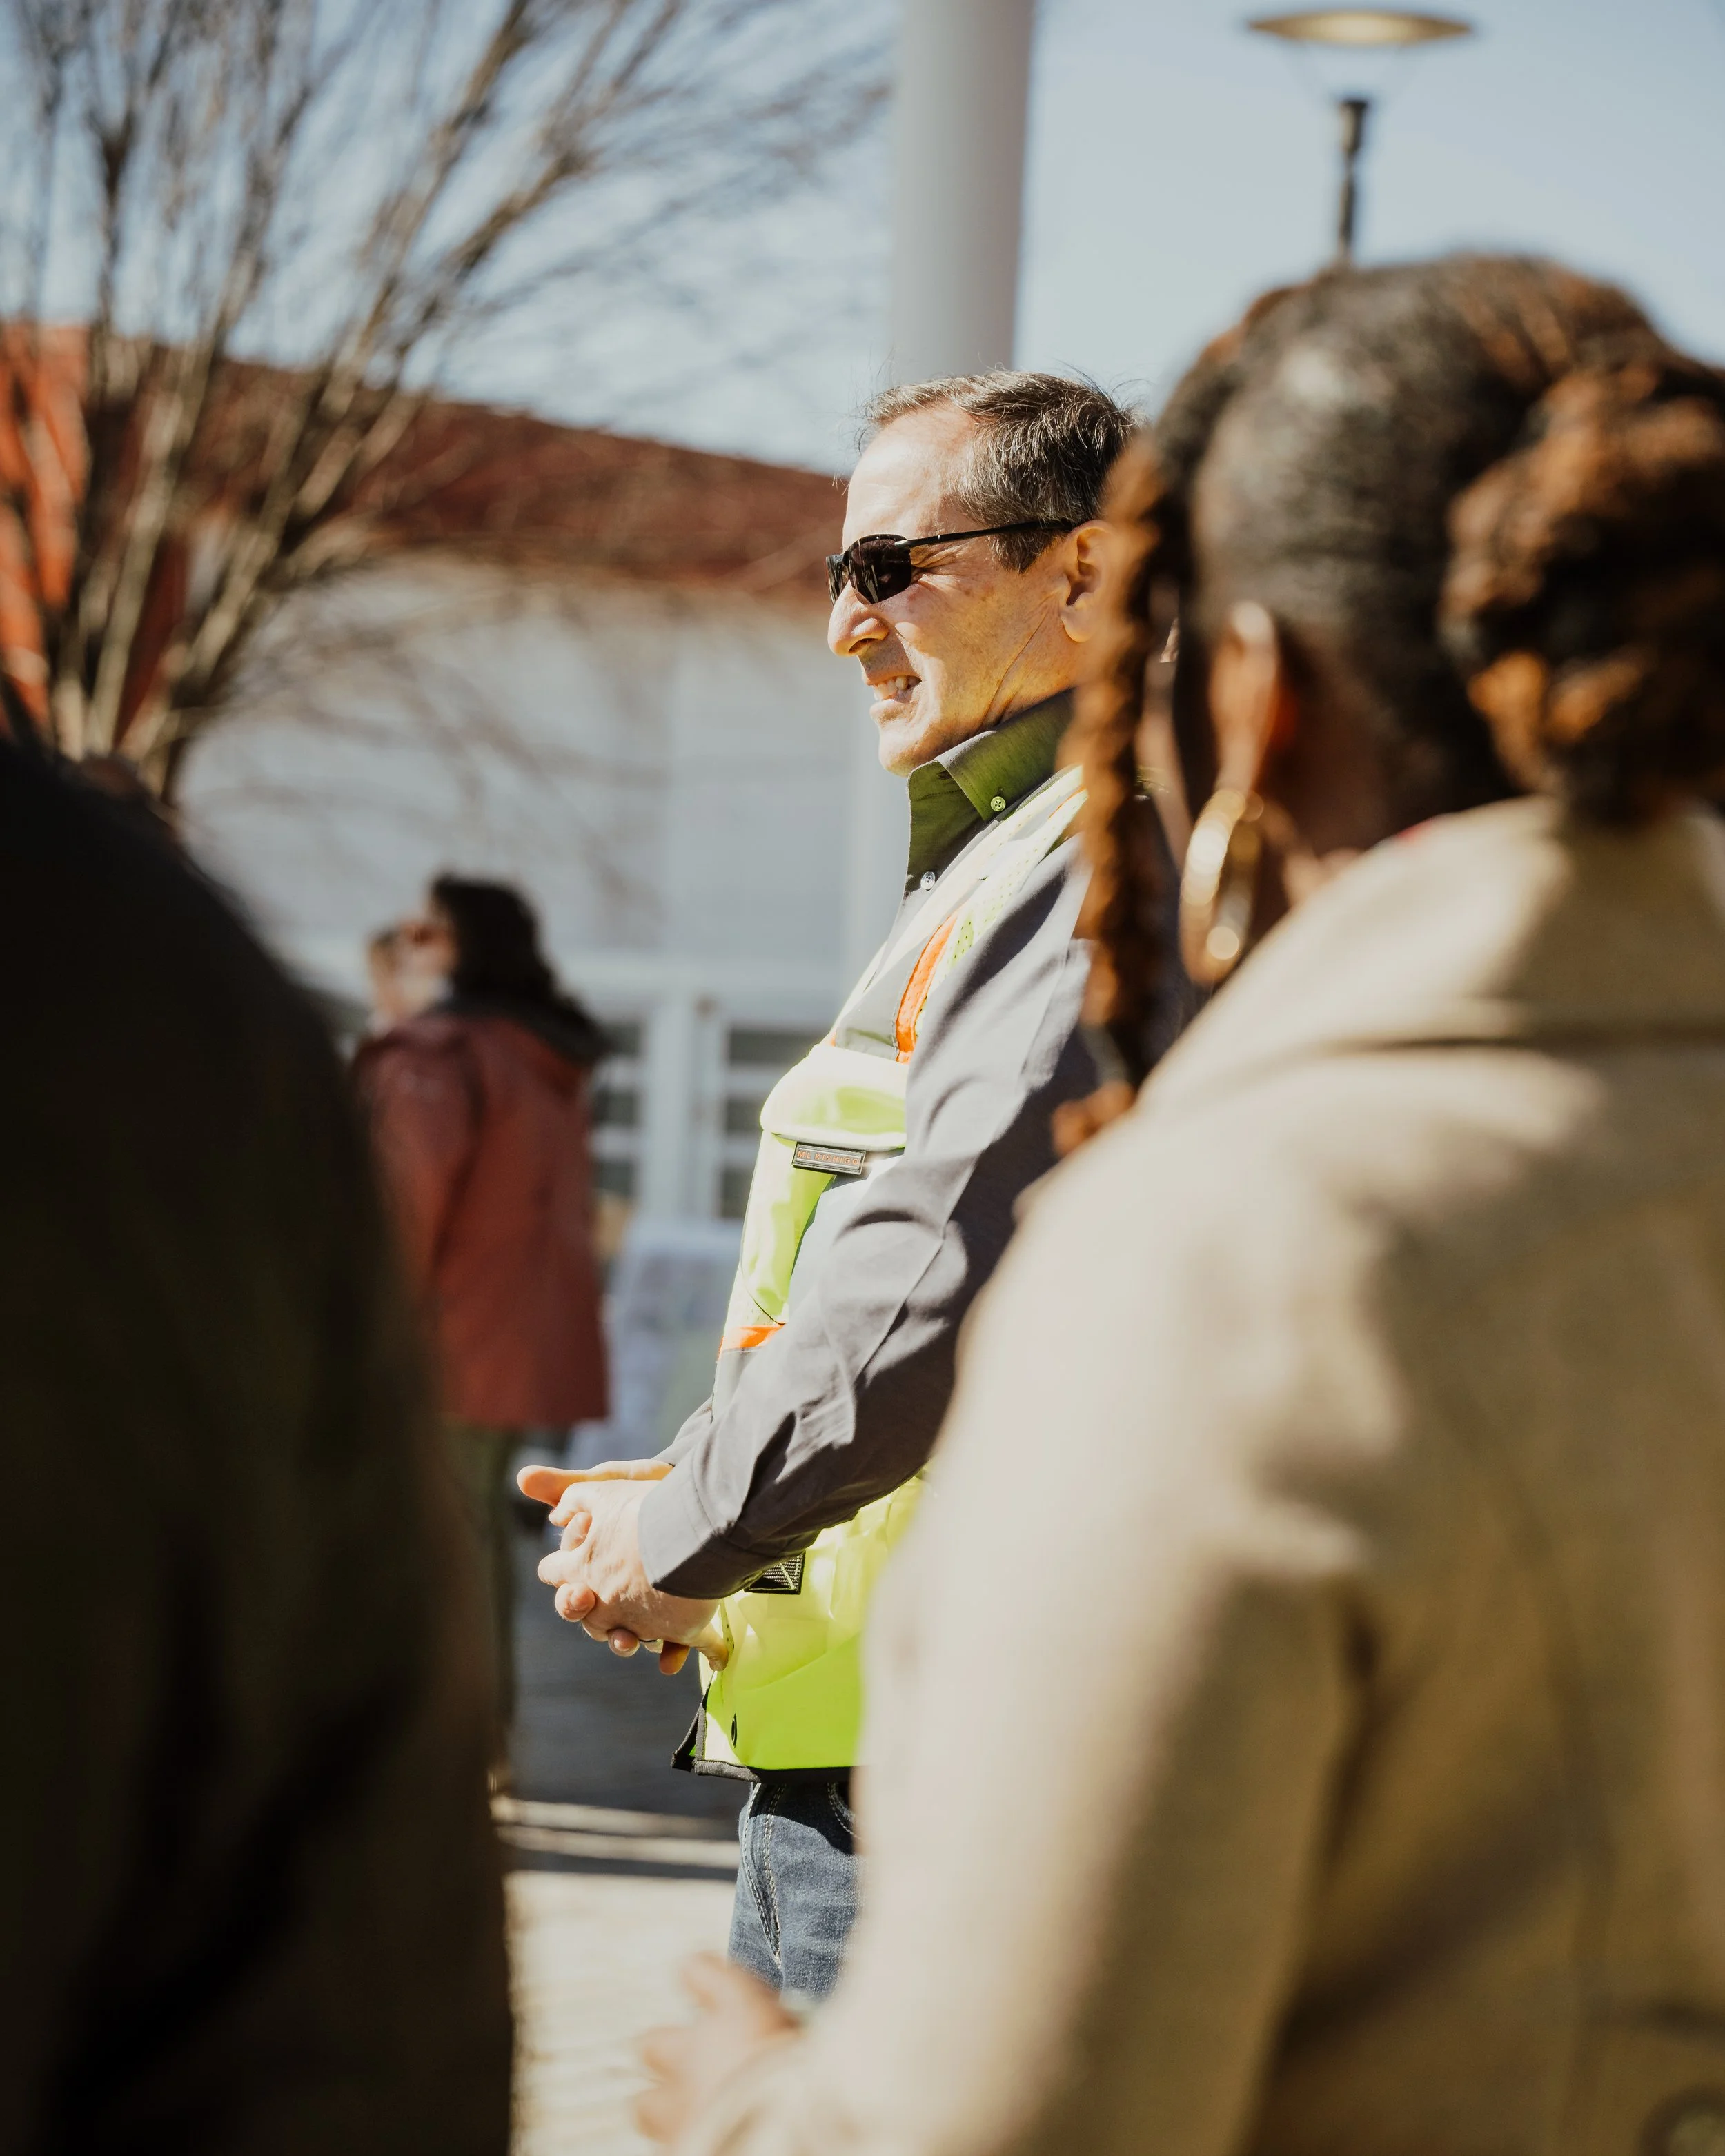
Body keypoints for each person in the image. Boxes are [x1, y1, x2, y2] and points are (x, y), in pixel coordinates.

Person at [636, 254, 1725, 2155]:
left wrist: (749, 2106)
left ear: (1246, 686)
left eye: (890, 568)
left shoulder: (1237, 1256)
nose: (847, 623)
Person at [522, 373, 1170, 1998]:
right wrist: (695, 1483)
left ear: (1082, 572)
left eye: (889, 568)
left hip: (948, 1777)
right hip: (868, 1749)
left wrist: (678, 1526)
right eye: (835, 574)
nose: (844, 627)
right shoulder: (998, 862)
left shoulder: (1092, 861)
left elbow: (932, 1279)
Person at [0, 746, 511, 2150]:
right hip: (424, 1371)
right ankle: (507, 1739)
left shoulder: (382, 1055)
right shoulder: (511, 1049)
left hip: (408, 1356)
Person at [357, 875, 609, 1774]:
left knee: (433, 1550)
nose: (407, 941)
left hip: (436, 1349)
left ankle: (445, 1752)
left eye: (430, 929)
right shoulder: (535, 1055)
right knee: (472, 1545)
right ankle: (478, 1740)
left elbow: (397, 1215)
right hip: (512, 1352)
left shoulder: (441, 1055)